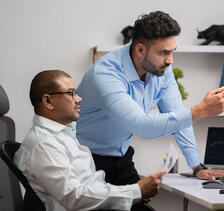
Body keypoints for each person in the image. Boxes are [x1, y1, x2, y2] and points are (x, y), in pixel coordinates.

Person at [76, 11, 224, 186]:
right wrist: (202, 110)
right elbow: (141, 126)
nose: (170, 61)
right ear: (140, 50)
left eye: (172, 51)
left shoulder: (161, 71)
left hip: (121, 159)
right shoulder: (105, 75)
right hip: (87, 161)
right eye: (163, 53)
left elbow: (178, 115)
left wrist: (197, 167)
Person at [14, 70, 166, 211]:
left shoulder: (62, 134)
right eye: (71, 93)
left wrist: (132, 196)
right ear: (48, 101)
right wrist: (135, 192)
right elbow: (74, 196)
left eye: (77, 93)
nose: (79, 99)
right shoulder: (44, 144)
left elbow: (87, 186)